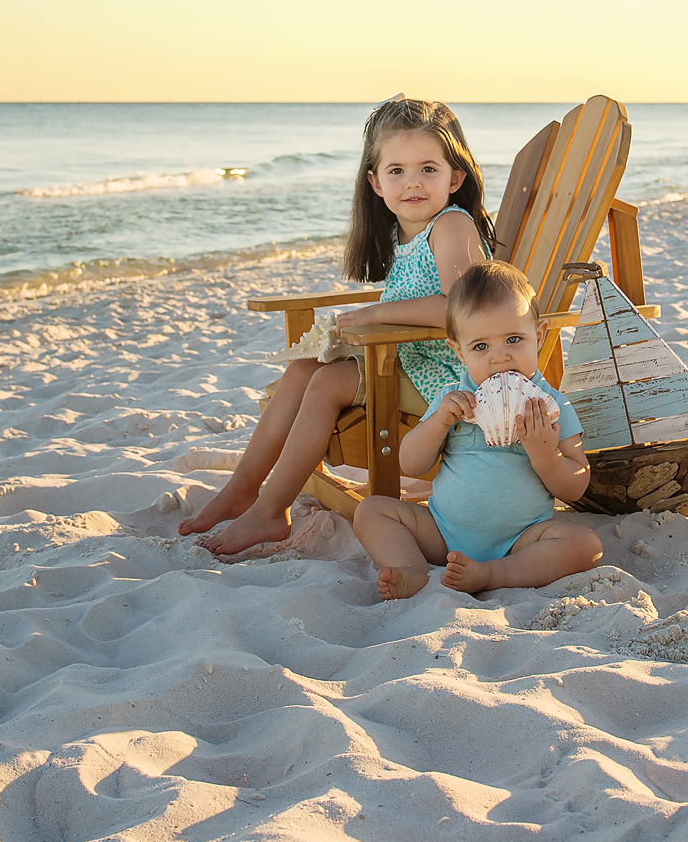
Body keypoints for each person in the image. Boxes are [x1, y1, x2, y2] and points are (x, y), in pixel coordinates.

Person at [179, 96, 493, 556]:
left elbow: (467, 311)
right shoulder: (405, 232)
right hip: (406, 356)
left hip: (448, 375)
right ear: (375, 182)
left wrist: (374, 314)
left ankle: (268, 510)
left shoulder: (451, 226)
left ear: (456, 177)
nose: (413, 183)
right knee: (306, 364)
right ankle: (243, 488)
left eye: (428, 168)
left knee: (327, 383)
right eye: (397, 171)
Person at [352, 260, 604, 598]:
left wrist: (546, 457)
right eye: (481, 347)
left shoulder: (551, 406)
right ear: (458, 350)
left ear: (539, 336)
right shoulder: (452, 401)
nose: (499, 357)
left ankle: (491, 574)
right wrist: (439, 423)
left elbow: (576, 486)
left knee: (586, 545)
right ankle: (414, 571)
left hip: (523, 539)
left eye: (514, 339)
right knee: (371, 510)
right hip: (443, 533)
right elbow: (410, 464)